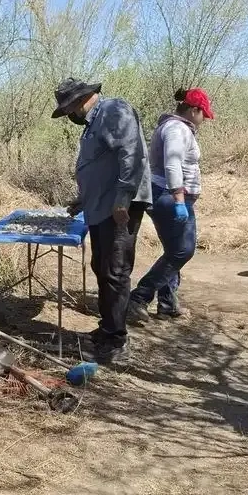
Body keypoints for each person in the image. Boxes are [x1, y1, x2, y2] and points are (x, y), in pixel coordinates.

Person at [52, 77, 151, 365]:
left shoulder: (114, 110)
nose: (70, 115)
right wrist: (84, 200)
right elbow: (100, 165)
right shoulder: (94, 122)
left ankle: (117, 342)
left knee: (115, 269)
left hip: (119, 206)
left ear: (79, 101)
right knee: (102, 266)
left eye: (69, 108)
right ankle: (107, 328)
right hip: (101, 206)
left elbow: (131, 153)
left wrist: (123, 196)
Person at [128, 87, 213, 321]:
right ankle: (138, 298)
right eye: (203, 114)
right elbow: (173, 164)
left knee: (174, 250)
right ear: (193, 110)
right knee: (181, 251)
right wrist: (178, 198)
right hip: (168, 194)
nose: (204, 119)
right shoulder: (177, 129)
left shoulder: (177, 128)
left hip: (167, 193)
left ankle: (167, 302)